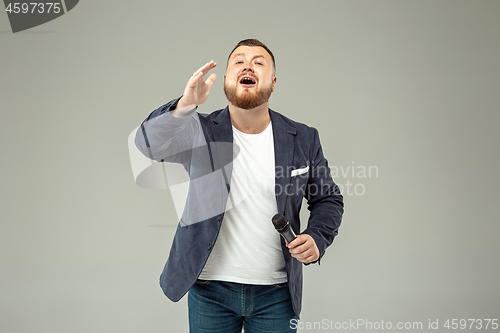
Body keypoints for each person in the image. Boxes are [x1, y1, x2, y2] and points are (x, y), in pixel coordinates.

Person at [135, 39, 344, 333]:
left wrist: (317, 237)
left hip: (277, 294)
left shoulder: (303, 138)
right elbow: (147, 145)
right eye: (239, 61)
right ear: (225, 80)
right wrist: (184, 106)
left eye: (258, 62)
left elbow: (328, 199)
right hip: (210, 290)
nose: (248, 65)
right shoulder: (199, 131)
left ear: (272, 82)